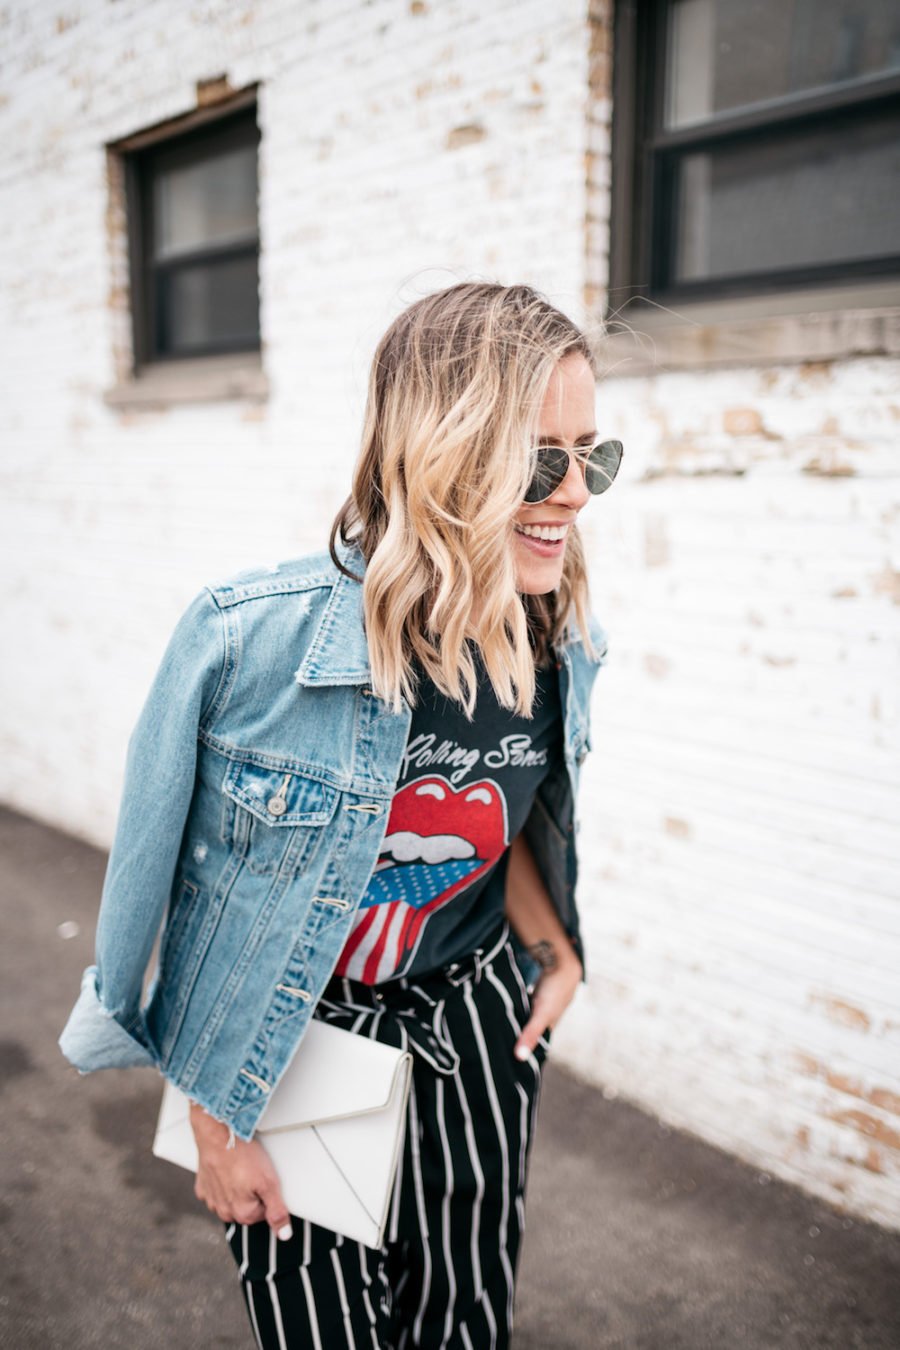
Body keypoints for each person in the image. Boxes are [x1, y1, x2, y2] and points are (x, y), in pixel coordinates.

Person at [59, 281, 622, 1349]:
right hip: (295, 1050)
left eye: (593, 454)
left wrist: (554, 950)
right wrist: (211, 1122)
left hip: (478, 1032)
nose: (578, 493)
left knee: (463, 1325)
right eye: (541, 460)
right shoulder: (247, 644)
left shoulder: (559, 639)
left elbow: (512, 823)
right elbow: (159, 894)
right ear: (444, 455)